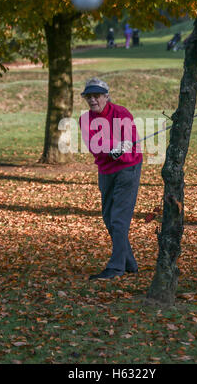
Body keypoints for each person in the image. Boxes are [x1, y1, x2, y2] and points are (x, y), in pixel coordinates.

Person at [79, 78, 143, 280]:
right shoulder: (85, 119)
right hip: (106, 170)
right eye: (88, 96)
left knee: (118, 219)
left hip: (127, 168)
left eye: (96, 95)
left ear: (106, 96)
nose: (92, 99)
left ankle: (116, 268)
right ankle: (129, 263)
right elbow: (93, 145)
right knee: (108, 217)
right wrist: (110, 148)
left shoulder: (121, 113)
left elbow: (130, 140)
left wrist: (120, 148)